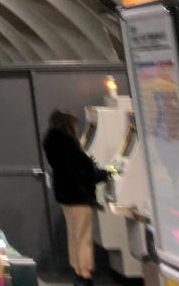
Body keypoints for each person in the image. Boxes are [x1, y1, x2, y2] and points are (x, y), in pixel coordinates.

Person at [43, 109, 109, 286]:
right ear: (68, 125)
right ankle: (85, 275)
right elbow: (84, 173)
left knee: (74, 236)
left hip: (65, 197)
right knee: (83, 237)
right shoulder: (70, 146)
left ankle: (78, 271)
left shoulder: (53, 143)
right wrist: (105, 173)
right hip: (78, 197)